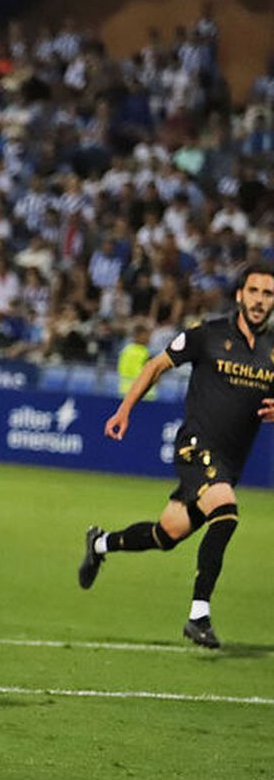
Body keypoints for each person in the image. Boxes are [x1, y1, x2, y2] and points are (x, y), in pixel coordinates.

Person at [79, 266, 274, 648]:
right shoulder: (209, 334)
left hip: (229, 463)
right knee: (226, 513)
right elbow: (156, 365)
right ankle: (198, 614)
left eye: (268, 294)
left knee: (167, 534)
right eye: (254, 290)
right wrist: (124, 410)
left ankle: (99, 543)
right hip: (195, 447)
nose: (260, 300)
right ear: (239, 295)